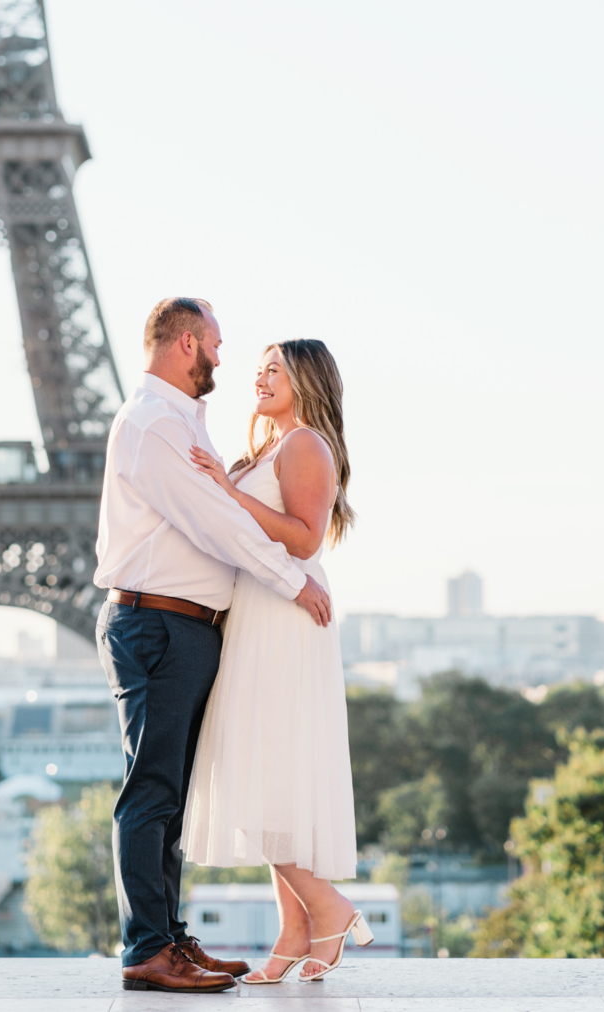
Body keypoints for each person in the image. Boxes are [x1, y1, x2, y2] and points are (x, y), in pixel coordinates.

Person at [95, 298, 333, 994]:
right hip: (159, 623)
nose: (225, 361)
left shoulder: (178, 423)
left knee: (166, 794)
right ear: (188, 344)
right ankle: (147, 947)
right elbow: (215, 526)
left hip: (183, 626)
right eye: (220, 347)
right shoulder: (151, 424)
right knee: (152, 791)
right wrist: (293, 583)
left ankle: (166, 938)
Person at [181, 338, 370, 982]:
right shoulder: (269, 447)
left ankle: (329, 908)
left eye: (276, 370)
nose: (260, 378)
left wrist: (228, 493)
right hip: (258, 615)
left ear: (306, 380)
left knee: (257, 775)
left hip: (285, 618)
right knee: (272, 774)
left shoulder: (304, 444)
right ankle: (295, 932)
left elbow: (304, 537)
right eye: (258, 368)